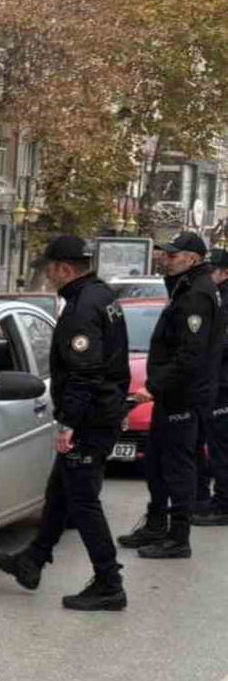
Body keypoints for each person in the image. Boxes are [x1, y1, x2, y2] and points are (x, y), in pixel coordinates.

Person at [0, 235, 129, 611]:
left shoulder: (82, 309)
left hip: (90, 419)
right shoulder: (101, 295)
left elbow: (85, 373)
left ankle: (109, 582)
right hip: (102, 412)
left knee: (83, 502)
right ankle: (32, 560)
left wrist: (68, 425)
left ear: (65, 269)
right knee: (60, 492)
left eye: (50, 267)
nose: (47, 274)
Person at [118, 232, 225, 560]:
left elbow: (190, 354)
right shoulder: (186, 288)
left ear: (192, 259)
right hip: (174, 394)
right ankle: (155, 524)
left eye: (173, 254)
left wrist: (154, 386)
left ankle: (178, 537)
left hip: (184, 396)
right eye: (166, 253)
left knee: (178, 466)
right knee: (156, 462)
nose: (166, 258)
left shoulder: (197, 295)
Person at [192, 246, 228, 526]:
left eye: (211, 271)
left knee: (221, 447)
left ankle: (223, 504)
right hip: (216, 383)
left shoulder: (223, 301)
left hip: (224, 385)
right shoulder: (217, 298)